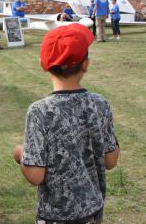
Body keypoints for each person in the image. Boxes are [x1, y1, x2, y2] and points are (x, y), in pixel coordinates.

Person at [13, 23, 120, 224]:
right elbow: (111, 160)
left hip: (56, 216)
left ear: (43, 64)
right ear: (86, 64)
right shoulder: (100, 103)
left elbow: (35, 175)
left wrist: (21, 154)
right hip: (93, 211)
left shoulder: (40, 111)